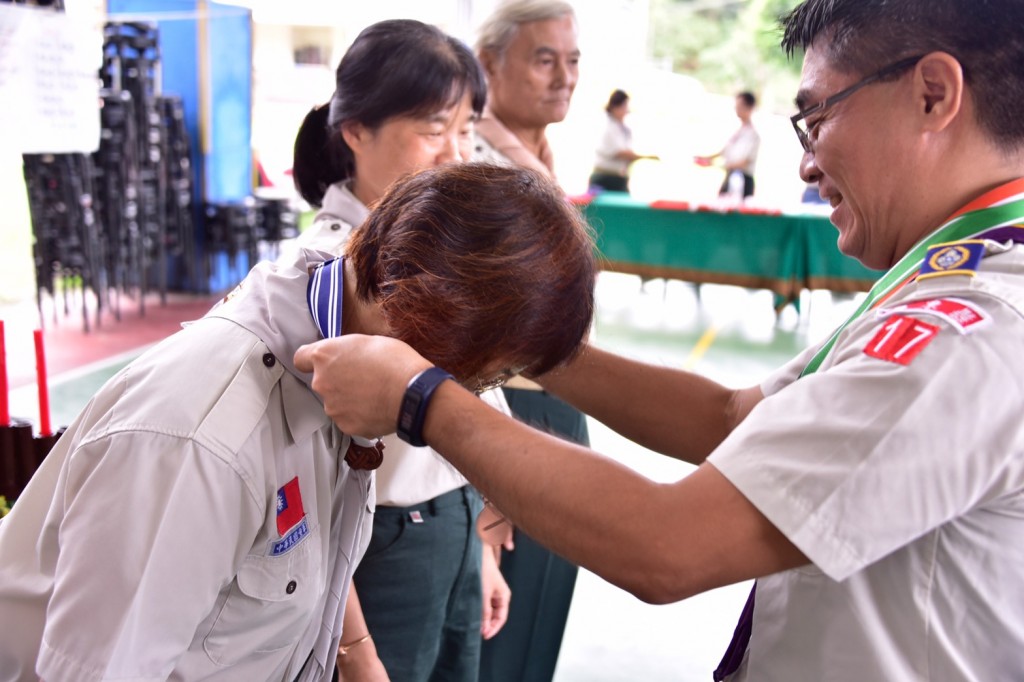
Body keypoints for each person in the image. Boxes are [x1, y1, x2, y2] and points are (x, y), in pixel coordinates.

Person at [293, 0, 1024, 679]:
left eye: (817, 116)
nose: (807, 161)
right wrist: (521, 336)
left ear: (933, 93)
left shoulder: (966, 331)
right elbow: (733, 418)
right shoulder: (944, 283)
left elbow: (669, 546)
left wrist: (420, 397)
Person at [0, 162, 596, 682]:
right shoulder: (203, 439)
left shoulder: (335, 354)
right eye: (479, 379)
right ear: (421, 316)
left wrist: (355, 653)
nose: (467, 397)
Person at [290, 19, 511, 682]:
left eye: (466, 128)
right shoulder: (323, 274)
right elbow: (300, 477)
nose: (456, 154)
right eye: (433, 128)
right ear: (355, 130)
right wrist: (354, 649)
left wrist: (481, 549)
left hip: (451, 526)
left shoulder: (434, 253)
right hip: (377, 551)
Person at [471, 2, 586, 679]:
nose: (564, 77)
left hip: (557, 402)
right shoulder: (476, 163)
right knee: (499, 630)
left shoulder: (536, 156)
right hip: (502, 407)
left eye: (572, 62)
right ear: (490, 64)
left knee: (539, 623)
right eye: (545, 59)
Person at [589, 89, 658, 194]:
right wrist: (647, 156)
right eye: (624, 106)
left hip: (619, 178)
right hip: (604, 178)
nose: (627, 110)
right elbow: (621, 153)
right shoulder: (608, 126)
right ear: (615, 107)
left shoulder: (623, 129)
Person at [695, 91, 760, 200]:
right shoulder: (738, 131)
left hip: (742, 180)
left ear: (749, 108)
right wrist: (704, 158)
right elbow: (723, 152)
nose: (736, 109)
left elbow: (744, 163)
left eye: (740, 106)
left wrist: (714, 164)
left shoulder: (753, 135)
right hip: (731, 175)